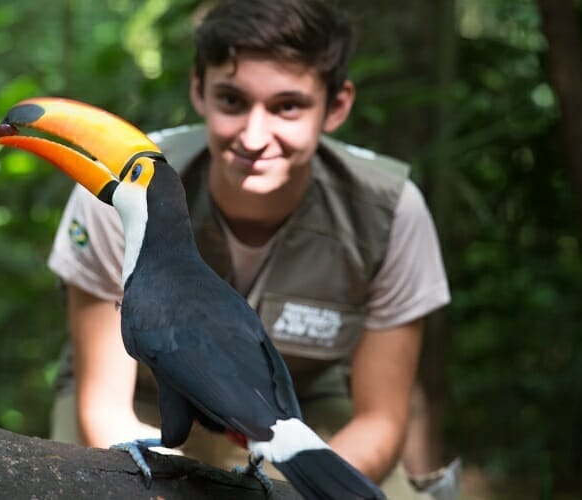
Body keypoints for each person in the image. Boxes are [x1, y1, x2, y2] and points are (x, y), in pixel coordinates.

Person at [47, 0, 456, 497]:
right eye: (233, 101)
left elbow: (381, 418)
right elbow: (103, 406)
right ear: (198, 90)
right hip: (149, 400)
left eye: (287, 106)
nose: (255, 136)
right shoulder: (127, 189)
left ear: (337, 105)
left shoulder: (389, 211)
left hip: (293, 408)